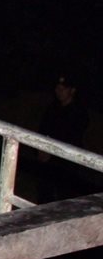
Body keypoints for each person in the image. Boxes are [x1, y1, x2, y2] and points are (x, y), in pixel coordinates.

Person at [36, 71, 90, 203]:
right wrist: (41, 148)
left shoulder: (79, 112)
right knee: (44, 194)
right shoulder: (52, 108)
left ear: (72, 90)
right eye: (57, 88)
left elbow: (72, 135)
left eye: (63, 89)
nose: (59, 91)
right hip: (48, 160)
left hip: (67, 162)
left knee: (64, 196)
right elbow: (43, 129)